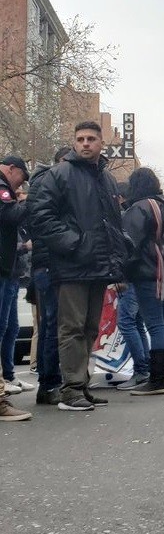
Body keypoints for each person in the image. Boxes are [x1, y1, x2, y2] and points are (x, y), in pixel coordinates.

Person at [29, 121, 129, 411]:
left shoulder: (107, 180)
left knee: (88, 328)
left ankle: (80, 385)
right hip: (72, 265)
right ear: (74, 143)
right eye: (80, 139)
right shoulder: (59, 174)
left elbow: (113, 221)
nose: (85, 143)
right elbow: (41, 215)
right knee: (71, 327)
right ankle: (71, 389)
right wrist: (73, 243)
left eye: (91, 139)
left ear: (101, 144)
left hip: (99, 265)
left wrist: (121, 249)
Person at [120, 168, 164, 397]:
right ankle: (158, 377)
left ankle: (156, 379)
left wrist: (122, 272)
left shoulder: (140, 208)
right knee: (160, 323)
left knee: (153, 324)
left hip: (147, 271)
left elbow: (129, 243)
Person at [28, 147, 71, 406]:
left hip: (45, 263)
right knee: (54, 324)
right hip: (50, 263)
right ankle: (50, 383)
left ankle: (49, 381)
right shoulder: (50, 183)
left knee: (49, 325)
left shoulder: (41, 183)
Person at [0, 155, 30, 397]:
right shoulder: (1, 188)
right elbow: (9, 216)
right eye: (21, 179)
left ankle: (8, 376)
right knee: (2, 327)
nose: (19, 187)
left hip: (9, 270)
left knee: (10, 327)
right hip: (3, 268)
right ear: (12, 169)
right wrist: (33, 202)